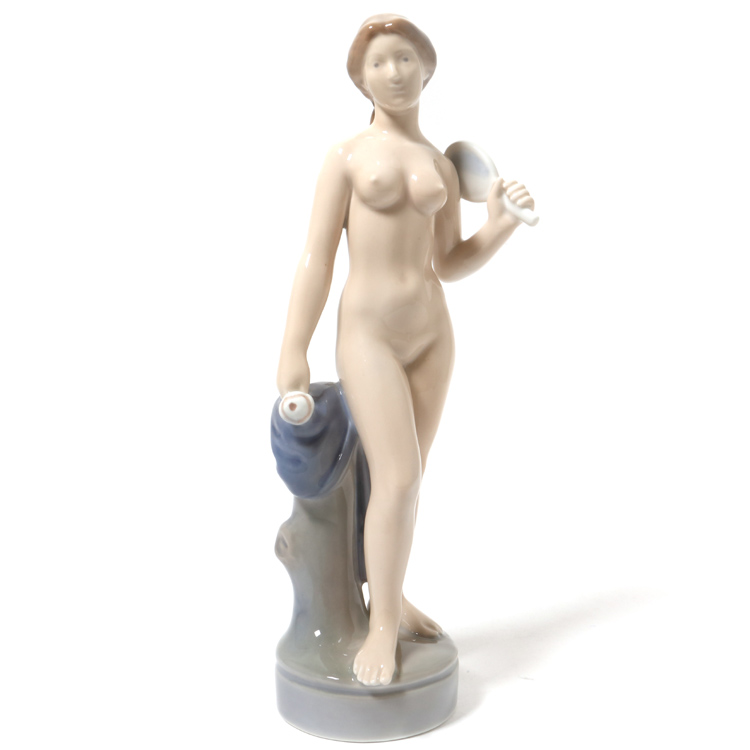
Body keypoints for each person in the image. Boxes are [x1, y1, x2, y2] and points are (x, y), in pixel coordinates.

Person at [276, 14, 534, 687]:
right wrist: (293, 348)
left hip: (431, 334)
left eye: (405, 58)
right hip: (368, 333)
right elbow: (316, 257)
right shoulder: (345, 157)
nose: (393, 72)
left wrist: (500, 225)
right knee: (397, 479)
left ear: (427, 67)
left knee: (406, 482)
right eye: (379, 62)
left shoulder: (440, 165)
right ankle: (383, 626)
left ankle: (388, 596)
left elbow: (449, 261)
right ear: (360, 79)